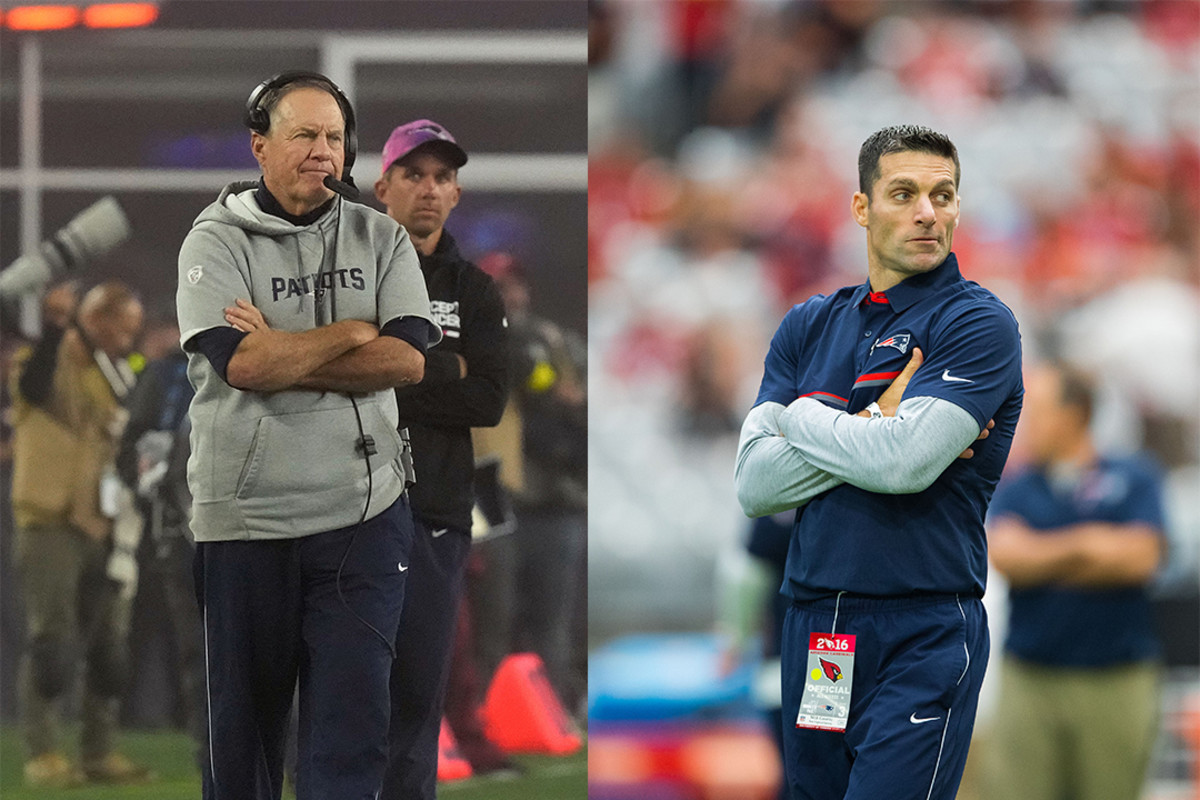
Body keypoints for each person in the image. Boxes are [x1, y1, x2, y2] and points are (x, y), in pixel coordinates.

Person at [734, 124, 1023, 800]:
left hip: (923, 625)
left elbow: (905, 466)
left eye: (943, 195)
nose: (929, 211)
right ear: (862, 208)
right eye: (905, 193)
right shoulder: (808, 323)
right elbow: (755, 485)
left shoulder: (977, 323)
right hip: (815, 627)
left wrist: (803, 417)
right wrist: (872, 424)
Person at [175, 71, 438, 800]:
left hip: (364, 514)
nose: (323, 152)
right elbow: (245, 364)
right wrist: (353, 332)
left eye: (334, 137)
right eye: (304, 135)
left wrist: (294, 348)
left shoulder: (379, 235)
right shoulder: (213, 241)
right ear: (260, 145)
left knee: (352, 730)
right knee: (244, 738)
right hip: (246, 520)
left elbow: (408, 358)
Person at [372, 119, 511, 798]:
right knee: (340, 685)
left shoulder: (476, 290)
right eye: (413, 174)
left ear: (456, 193)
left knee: (419, 692)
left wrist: (388, 377)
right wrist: (436, 370)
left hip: (434, 510)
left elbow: (487, 399)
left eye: (442, 177)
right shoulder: (350, 272)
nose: (428, 189)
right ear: (383, 187)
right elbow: (331, 378)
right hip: (346, 504)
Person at [984, 362, 1165, 800]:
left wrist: (1043, 551)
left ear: (1075, 413)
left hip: (1115, 679)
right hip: (1031, 678)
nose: (1027, 424)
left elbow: (1141, 559)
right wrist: (1088, 544)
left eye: (1039, 411)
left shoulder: (1133, 476)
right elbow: (1007, 556)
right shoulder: (1017, 486)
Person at [9, 280, 151, 786]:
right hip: (48, 521)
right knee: (52, 642)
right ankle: (43, 754)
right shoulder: (41, 363)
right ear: (97, 321)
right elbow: (33, 389)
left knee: (108, 647)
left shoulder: (115, 377)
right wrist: (53, 329)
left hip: (105, 525)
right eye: (124, 331)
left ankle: (97, 751)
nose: (129, 342)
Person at [113, 318, 207, 770]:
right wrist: (149, 488)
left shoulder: (258, 359)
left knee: (263, 649)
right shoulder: (168, 374)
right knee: (199, 652)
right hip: (182, 533)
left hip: (246, 533)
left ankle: (279, 757)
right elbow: (130, 451)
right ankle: (216, 757)